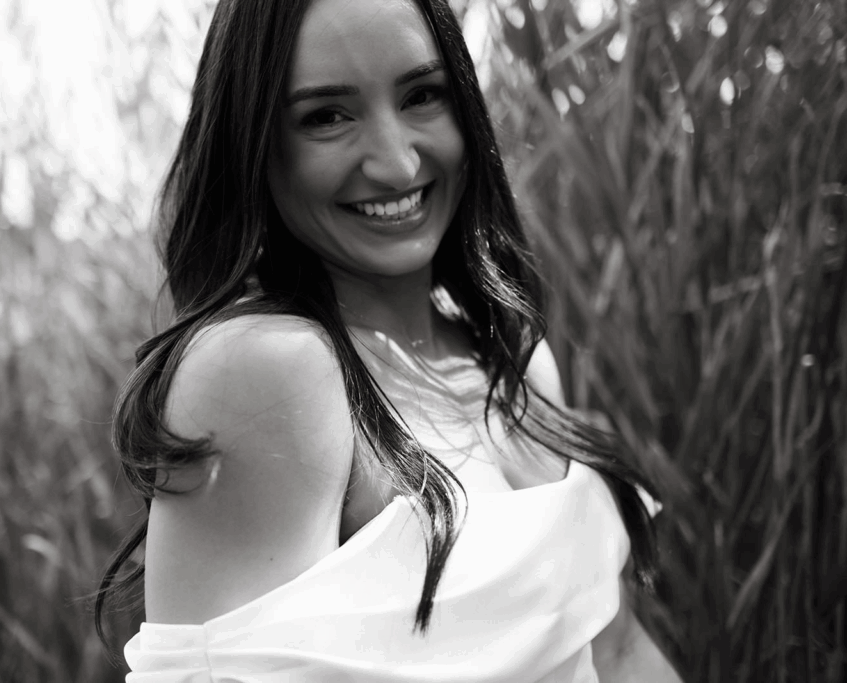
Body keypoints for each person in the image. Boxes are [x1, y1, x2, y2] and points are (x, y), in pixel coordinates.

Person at [97, 0, 684, 680]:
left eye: (422, 95)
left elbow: (614, 651)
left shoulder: (514, 359)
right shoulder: (267, 370)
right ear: (255, 145)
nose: (398, 162)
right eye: (327, 116)